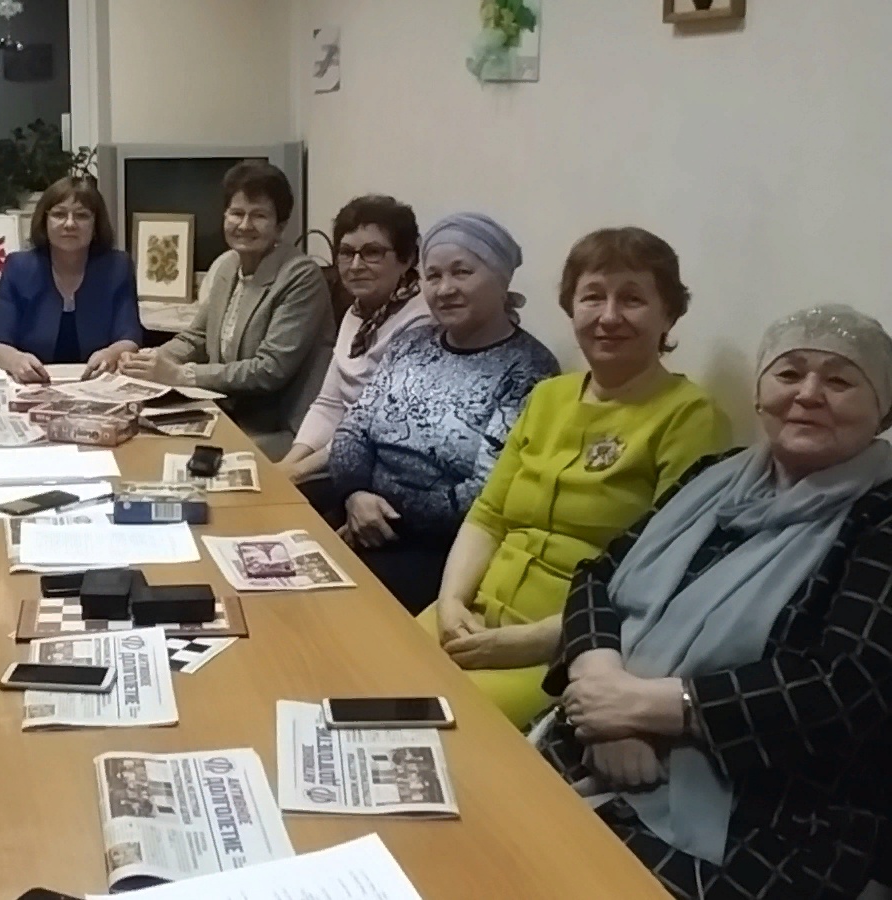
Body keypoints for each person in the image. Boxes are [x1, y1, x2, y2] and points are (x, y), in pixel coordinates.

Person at [540, 304, 892, 900]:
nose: (808, 394)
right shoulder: (716, 476)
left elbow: (843, 688)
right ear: (759, 393)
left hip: (765, 811)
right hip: (596, 733)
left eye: (839, 381)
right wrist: (603, 692)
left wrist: (649, 707)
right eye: (789, 374)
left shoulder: (879, 517)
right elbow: (598, 574)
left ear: (882, 408)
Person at [418, 226, 729, 729]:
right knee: (362, 672)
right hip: (472, 619)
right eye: (592, 297)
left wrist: (528, 641)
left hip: (568, 650)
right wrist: (451, 602)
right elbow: (489, 516)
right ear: (571, 307)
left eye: (632, 299)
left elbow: (661, 579)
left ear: (669, 314)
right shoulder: (549, 396)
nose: (609, 316)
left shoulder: (689, 417)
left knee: (440, 722)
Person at [328, 212, 559, 614]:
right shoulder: (411, 343)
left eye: (462, 272)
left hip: (439, 548)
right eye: (433, 276)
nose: (445, 289)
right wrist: (354, 494)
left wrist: (379, 514)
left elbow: (485, 492)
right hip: (360, 512)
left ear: (502, 279)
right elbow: (353, 427)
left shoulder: (529, 369)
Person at [120, 160, 334, 459]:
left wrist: (182, 375)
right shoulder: (227, 265)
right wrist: (149, 361)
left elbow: (269, 370)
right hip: (227, 414)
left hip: (279, 430)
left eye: (259, 215)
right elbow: (196, 337)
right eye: (236, 213)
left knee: (172, 456)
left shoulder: (301, 275)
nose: (244, 225)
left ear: (280, 225)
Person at [280, 195, 433, 519]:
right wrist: (286, 465)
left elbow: (374, 425)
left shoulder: (422, 322)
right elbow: (330, 404)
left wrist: (297, 473)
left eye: (372, 252)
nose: (355, 265)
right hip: (340, 459)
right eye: (347, 252)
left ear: (407, 258)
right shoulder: (357, 313)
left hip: (381, 476)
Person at [0, 175, 142, 382]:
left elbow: (130, 337)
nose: (70, 224)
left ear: (96, 224)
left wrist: (112, 354)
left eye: (82, 216)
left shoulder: (117, 267)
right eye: (59, 214)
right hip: (32, 385)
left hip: (98, 385)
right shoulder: (19, 267)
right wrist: (15, 360)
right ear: (44, 221)